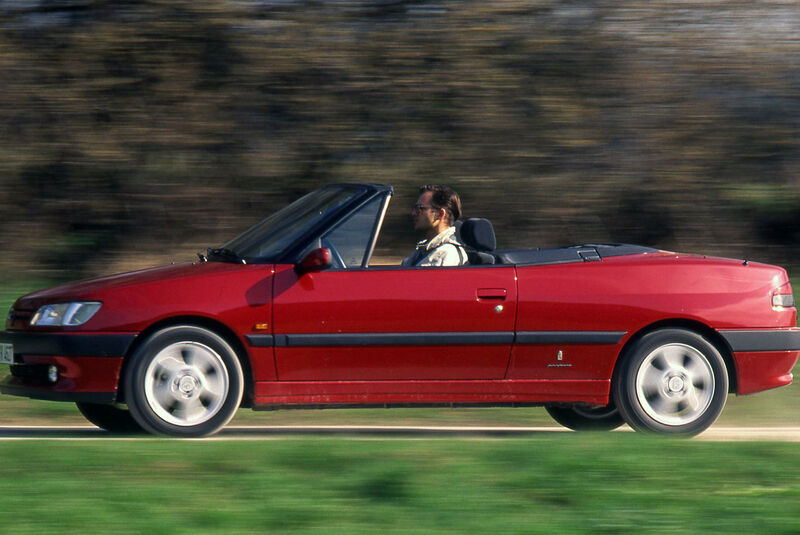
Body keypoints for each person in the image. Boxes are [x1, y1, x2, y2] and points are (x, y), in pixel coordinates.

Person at [401, 184, 467, 267]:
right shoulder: (423, 251)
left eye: (420, 208)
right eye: (414, 208)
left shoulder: (446, 254)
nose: (413, 213)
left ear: (440, 214)